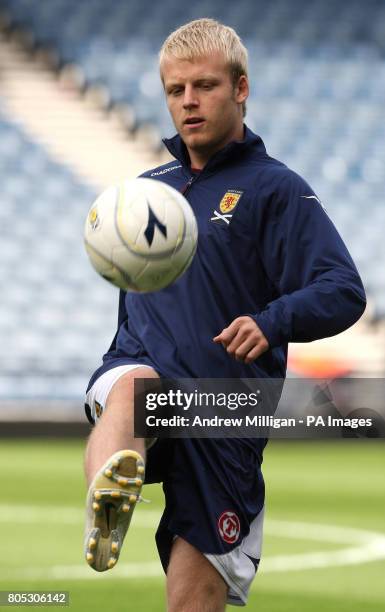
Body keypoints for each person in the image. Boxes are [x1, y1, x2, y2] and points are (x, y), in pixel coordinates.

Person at [83, 18, 366, 611]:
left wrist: (271, 321)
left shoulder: (275, 189)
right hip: (146, 370)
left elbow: (343, 289)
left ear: (241, 89)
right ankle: (106, 504)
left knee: (194, 602)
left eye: (204, 86)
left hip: (226, 409)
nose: (188, 101)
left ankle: (117, 485)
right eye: (175, 90)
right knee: (132, 389)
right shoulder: (145, 193)